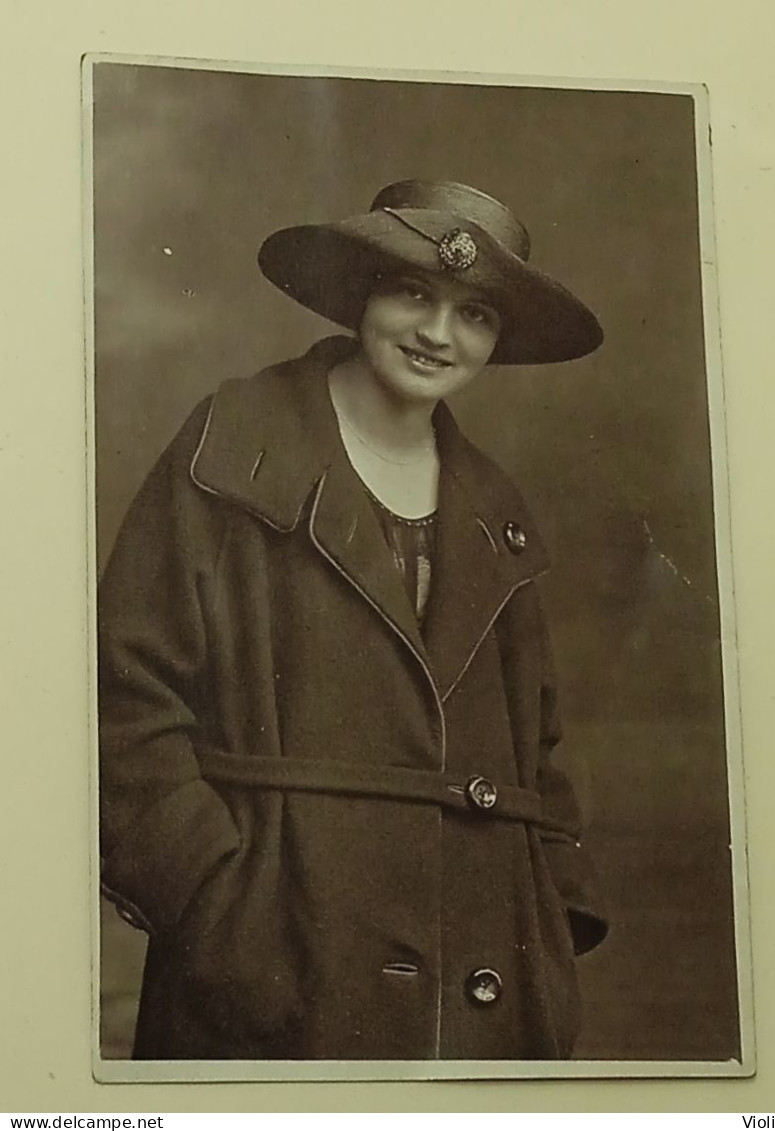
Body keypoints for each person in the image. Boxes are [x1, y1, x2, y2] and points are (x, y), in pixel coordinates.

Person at [98, 178, 608, 1062]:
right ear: (362, 292)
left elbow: (539, 745)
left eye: (474, 313)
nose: (437, 334)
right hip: (274, 955)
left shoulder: (495, 505)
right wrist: (212, 901)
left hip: (481, 968)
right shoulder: (237, 441)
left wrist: (549, 914)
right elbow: (123, 693)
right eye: (413, 293)